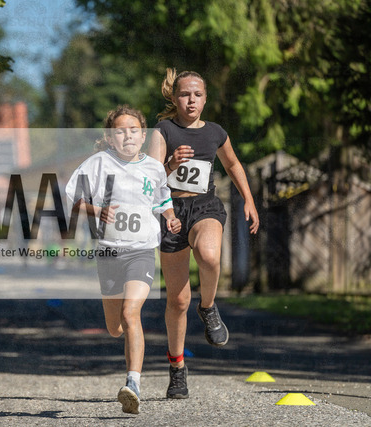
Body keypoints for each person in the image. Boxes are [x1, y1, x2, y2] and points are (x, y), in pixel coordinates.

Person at [147, 69, 260, 399]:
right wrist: (170, 163)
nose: (191, 100)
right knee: (178, 300)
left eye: (197, 94)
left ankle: (208, 307)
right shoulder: (163, 131)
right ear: (175, 98)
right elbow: (149, 178)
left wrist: (249, 200)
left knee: (209, 256)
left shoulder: (215, 132)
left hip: (205, 206)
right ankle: (177, 369)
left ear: (206, 99)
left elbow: (233, 164)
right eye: (185, 94)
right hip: (171, 212)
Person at [65, 105, 181, 414]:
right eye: (120, 131)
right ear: (109, 137)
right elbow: (74, 200)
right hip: (109, 253)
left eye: (134, 130)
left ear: (143, 136)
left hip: (141, 251)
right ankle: (130, 368)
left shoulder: (154, 168)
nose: (127, 135)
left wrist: (170, 216)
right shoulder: (98, 164)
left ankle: (133, 383)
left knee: (131, 314)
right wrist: (97, 211)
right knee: (115, 327)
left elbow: (162, 200)